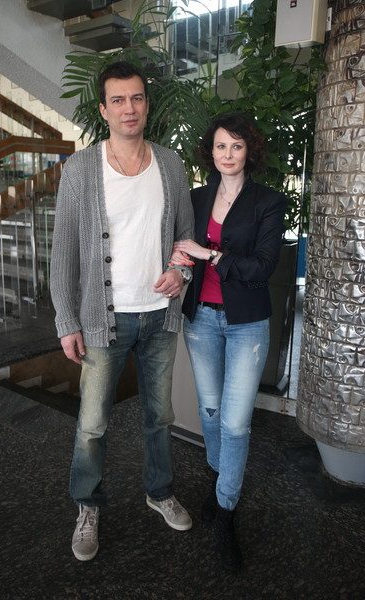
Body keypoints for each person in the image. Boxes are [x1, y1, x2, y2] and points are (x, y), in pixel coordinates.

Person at [50, 61, 194, 562]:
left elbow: (185, 239)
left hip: (159, 316)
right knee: (93, 424)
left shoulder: (170, 164)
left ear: (146, 105)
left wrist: (181, 273)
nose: (128, 108)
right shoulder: (80, 170)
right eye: (118, 100)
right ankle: (87, 505)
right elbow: (64, 252)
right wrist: (67, 321)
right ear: (104, 109)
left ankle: (160, 492)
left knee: (160, 416)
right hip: (102, 320)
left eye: (136, 98)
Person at [172, 112, 287, 569]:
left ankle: (225, 511)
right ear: (211, 151)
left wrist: (211, 255)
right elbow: (182, 250)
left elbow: (262, 267)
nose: (228, 154)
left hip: (246, 325)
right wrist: (179, 262)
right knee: (211, 412)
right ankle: (222, 482)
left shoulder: (268, 202)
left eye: (236, 146)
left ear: (249, 151)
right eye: (221, 146)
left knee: (236, 424)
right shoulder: (197, 198)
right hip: (201, 319)